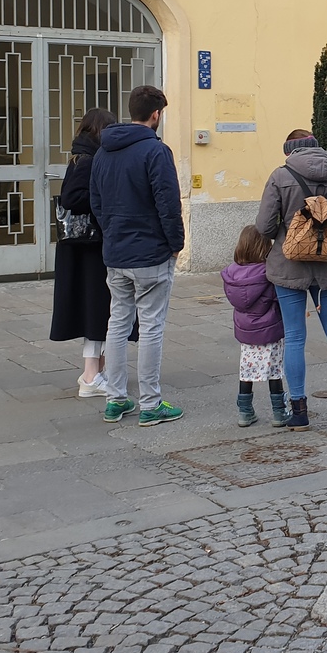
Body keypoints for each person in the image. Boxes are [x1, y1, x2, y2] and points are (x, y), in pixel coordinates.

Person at [255, 129, 327, 430]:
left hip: (289, 265)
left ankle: (299, 411)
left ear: (290, 151)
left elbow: (264, 227)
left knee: (295, 337)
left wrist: (289, 231)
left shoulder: (281, 176)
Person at [91, 85, 185, 427]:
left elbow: (96, 202)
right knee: (151, 327)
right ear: (156, 114)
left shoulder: (104, 151)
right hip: (151, 253)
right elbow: (168, 203)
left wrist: (112, 233)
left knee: (117, 324)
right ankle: (151, 403)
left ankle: (115, 399)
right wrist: (176, 243)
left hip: (116, 252)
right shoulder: (156, 151)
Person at [50, 107, 120, 398]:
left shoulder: (82, 156)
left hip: (83, 249)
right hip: (88, 249)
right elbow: (72, 198)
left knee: (99, 309)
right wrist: (104, 196)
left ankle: (97, 372)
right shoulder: (89, 160)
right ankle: (91, 376)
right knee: (96, 309)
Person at [222, 226, 288, 427]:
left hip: (246, 332)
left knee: (246, 371)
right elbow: (278, 299)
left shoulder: (232, 274)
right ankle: (279, 412)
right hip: (270, 328)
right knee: (274, 371)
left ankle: (245, 412)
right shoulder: (268, 272)